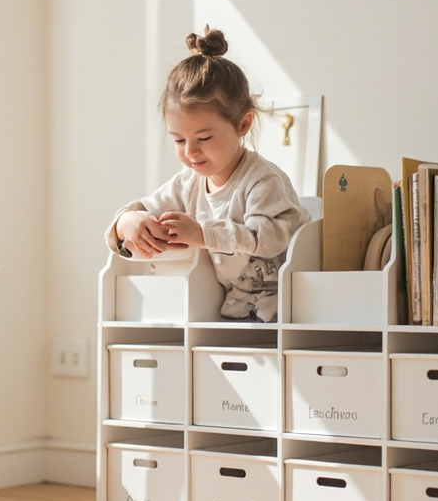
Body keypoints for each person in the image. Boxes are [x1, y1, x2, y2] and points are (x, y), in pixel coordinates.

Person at [106, 27, 309, 322]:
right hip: (236, 308)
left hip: (289, 306)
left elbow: (269, 238)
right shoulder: (187, 183)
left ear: (243, 124)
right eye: (178, 140)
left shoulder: (263, 181)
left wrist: (202, 235)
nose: (190, 152)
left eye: (203, 139)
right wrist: (128, 222)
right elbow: (143, 208)